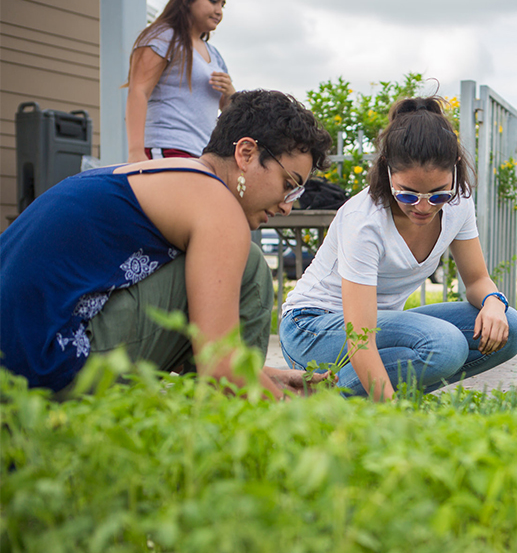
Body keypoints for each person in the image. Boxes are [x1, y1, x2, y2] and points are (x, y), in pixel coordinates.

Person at [1, 90, 332, 399]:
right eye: (289, 185)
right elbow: (219, 363)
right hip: (43, 370)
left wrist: (263, 376)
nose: (288, 205)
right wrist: (294, 417)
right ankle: (233, 431)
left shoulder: (166, 175)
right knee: (251, 264)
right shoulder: (217, 205)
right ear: (246, 153)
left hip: (19, 361)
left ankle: (226, 404)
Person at [279, 96, 517, 401]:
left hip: (376, 324)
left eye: (437, 196)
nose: (423, 207)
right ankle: (319, 396)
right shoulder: (364, 221)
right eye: (408, 195)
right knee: (444, 345)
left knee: (509, 327)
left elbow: (476, 281)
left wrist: (492, 301)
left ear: (455, 169)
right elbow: (361, 337)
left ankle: (348, 392)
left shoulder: (459, 203)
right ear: (387, 170)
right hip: (312, 327)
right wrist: (395, 422)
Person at [125, 0, 235, 163]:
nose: (219, 11)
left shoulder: (215, 55)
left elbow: (229, 112)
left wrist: (230, 93)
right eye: (213, 1)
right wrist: (136, 152)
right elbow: (138, 91)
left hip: (203, 155)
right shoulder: (164, 38)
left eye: (222, 4)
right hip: (168, 148)